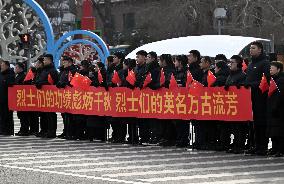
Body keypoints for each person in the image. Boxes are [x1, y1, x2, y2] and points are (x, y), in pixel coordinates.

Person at [245, 41, 270, 156]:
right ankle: (254, 145)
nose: (251, 50)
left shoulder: (264, 63)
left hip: (260, 97)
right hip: (250, 97)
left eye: (253, 48)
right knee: (252, 122)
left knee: (260, 122)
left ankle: (262, 146)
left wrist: (252, 85)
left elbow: (266, 80)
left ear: (260, 50)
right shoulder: (250, 64)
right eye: (250, 48)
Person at [225, 55, 247, 154]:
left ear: (238, 64)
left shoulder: (242, 75)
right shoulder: (230, 75)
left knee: (240, 127)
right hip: (231, 105)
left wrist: (239, 86)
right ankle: (235, 143)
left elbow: (244, 90)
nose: (230, 64)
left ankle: (240, 145)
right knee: (233, 126)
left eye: (232, 62)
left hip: (239, 106)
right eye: (229, 62)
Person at [34, 54, 59, 138]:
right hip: (42, 96)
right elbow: (41, 79)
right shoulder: (44, 70)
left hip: (50, 96)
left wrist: (42, 83)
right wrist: (38, 83)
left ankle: (51, 131)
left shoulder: (52, 71)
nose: (43, 61)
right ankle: (44, 130)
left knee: (50, 115)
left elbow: (54, 83)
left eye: (45, 60)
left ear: (49, 60)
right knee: (43, 115)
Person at [56, 56, 78, 139]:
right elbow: (59, 80)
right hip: (63, 96)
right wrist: (59, 83)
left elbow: (73, 82)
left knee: (71, 116)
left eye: (65, 62)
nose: (63, 64)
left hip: (71, 96)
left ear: (70, 62)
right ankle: (65, 131)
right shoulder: (62, 71)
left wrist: (66, 84)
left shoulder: (73, 71)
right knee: (64, 115)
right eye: (63, 62)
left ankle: (71, 132)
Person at [266, 61, 284, 157]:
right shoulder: (273, 79)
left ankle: (280, 149)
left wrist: (275, 106)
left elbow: (279, 96)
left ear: (279, 69)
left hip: (278, 109)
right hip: (272, 108)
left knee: (279, 131)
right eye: (270, 68)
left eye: (272, 68)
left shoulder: (281, 80)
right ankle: (274, 148)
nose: (270, 70)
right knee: (273, 130)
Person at [173, 55, 189, 147]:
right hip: (176, 99)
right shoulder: (175, 72)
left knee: (183, 121)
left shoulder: (186, 73)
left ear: (180, 62)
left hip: (183, 100)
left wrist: (180, 85)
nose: (175, 63)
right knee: (177, 121)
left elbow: (186, 84)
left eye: (176, 61)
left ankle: (184, 139)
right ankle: (179, 139)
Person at [0, 60, 15, 135]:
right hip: (1, 98)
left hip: (7, 99)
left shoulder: (10, 74)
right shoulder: (1, 74)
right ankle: (2, 129)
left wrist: (6, 82)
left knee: (7, 115)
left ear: (6, 66)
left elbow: (12, 85)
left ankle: (8, 130)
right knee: (2, 115)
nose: (1, 66)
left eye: (2, 65)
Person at [14, 62, 29, 136]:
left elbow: (24, 87)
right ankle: (22, 129)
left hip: (23, 99)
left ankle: (25, 130)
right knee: (20, 115)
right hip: (18, 98)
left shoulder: (23, 76)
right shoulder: (18, 76)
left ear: (20, 68)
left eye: (16, 67)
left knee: (24, 115)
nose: (15, 69)